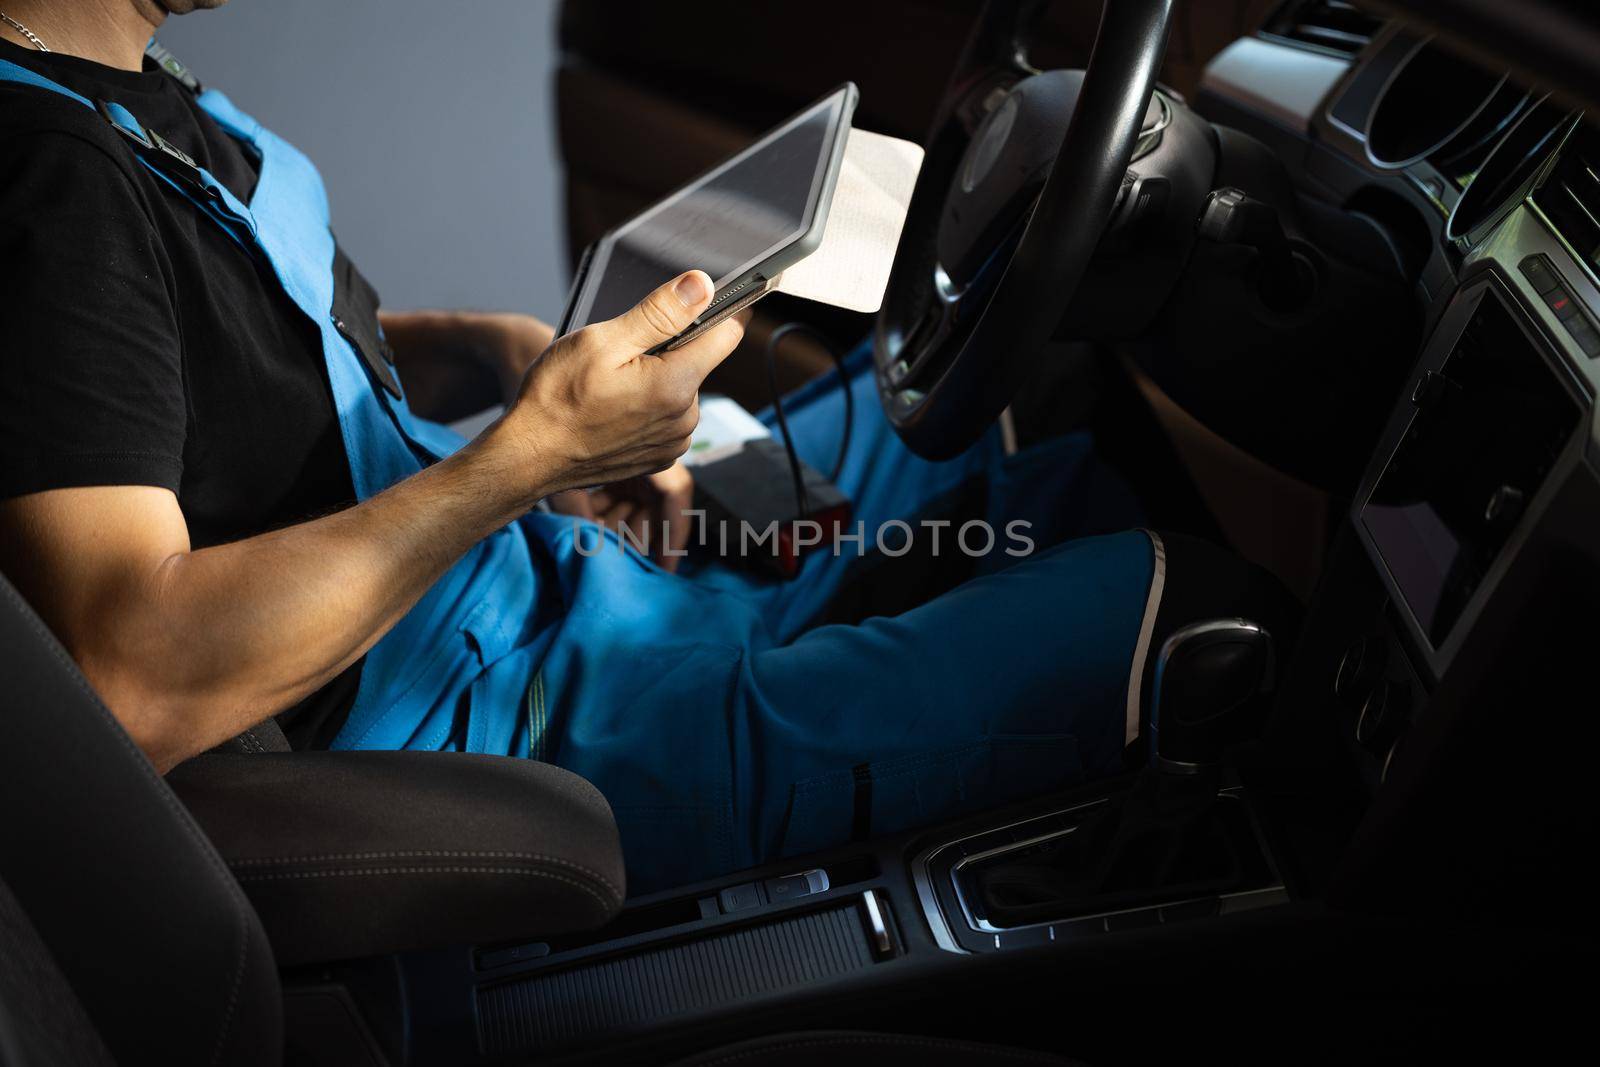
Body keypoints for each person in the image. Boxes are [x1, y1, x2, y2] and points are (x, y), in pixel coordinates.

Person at [0, 0, 1167, 894]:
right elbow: (131, 674)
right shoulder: (48, 179)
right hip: (510, 719)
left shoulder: (139, 87)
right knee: (1154, 602)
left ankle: (835, 585)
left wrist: (489, 352)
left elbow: (210, 366)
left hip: (541, 575)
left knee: (1047, 419)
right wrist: (530, 458)